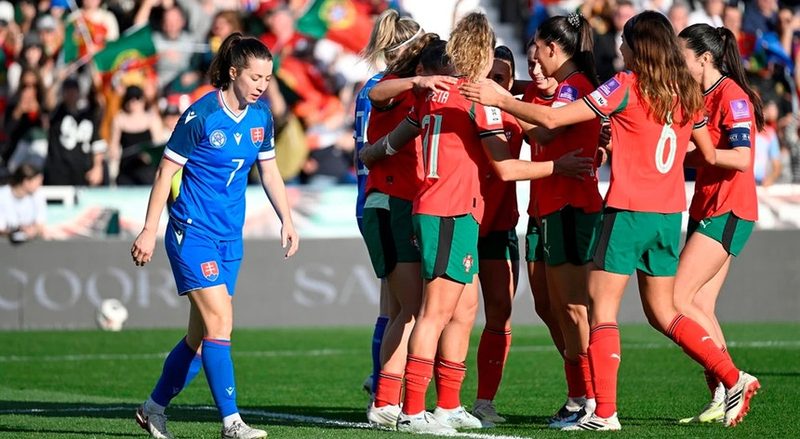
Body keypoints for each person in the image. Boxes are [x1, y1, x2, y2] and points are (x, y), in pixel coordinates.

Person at [460, 11, 759, 431]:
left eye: (625, 43)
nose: (619, 50)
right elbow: (703, 151)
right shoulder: (687, 94)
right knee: (665, 313)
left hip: (628, 210)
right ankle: (733, 376)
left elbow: (550, 120)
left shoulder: (627, 85)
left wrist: (501, 99)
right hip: (668, 214)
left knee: (600, 311)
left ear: (640, 48)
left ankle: (603, 413)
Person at [362, 12, 591, 434]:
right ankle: (413, 410)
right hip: (451, 210)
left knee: (462, 308)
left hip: (439, 208)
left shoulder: (436, 94)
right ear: (483, 54)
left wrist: (371, 153)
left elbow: (399, 129)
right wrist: (559, 166)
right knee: (433, 313)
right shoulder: (476, 100)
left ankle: (447, 404)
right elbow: (504, 169)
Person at [131, 32, 298, 439]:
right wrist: (150, 229)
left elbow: (270, 171)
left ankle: (152, 409)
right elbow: (165, 172)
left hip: (229, 239)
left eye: (268, 78)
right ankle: (231, 422)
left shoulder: (261, 118)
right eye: (255, 77)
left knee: (201, 337)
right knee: (221, 321)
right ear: (233, 72)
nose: (262, 85)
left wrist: (287, 219)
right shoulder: (201, 115)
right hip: (193, 234)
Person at [359, 11, 455, 430]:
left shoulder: (407, 91)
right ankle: (385, 397)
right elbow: (379, 95)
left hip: (400, 201)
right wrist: (419, 83)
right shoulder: (388, 88)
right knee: (413, 310)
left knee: (402, 308)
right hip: (389, 202)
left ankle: (386, 396)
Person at [676, 23, 765, 425]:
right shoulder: (700, 96)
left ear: (704, 58)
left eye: (683, 56)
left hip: (729, 209)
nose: (679, 63)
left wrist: (704, 152)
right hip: (707, 205)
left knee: (677, 298)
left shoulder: (732, 95)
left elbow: (742, 159)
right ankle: (725, 390)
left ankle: (732, 381)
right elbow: (704, 156)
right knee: (698, 305)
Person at [520, 13, 603, 429]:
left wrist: (500, 108)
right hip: (550, 207)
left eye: (537, 45)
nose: (532, 53)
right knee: (554, 307)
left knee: (574, 309)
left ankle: (590, 398)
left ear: (553, 47)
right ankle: (581, 395)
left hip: (571, 205)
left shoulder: (575, 87)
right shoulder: (562, 86)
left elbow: (548, 131)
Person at [470, 45, 523, 426]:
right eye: (486, 77)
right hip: (463, 220)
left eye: (500, 79)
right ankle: (433, 399)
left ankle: (484, 402)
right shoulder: (467, 106)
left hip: (501, 223)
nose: (492, 85)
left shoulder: (522, 114)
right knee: (449, 312)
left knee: (500, 313)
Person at [110, 85, 163, 185]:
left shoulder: (152, 119)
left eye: (137, 99)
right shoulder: (119, 120)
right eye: (130, 99)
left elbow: (158, 146)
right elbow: (114, 146)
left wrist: (148, 155)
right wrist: (114, 153)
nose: (133, 103)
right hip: (126, 170)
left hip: (146, 169)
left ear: (143, 100)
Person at [0, 163, 46, 243]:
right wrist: (17, 232)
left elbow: (40, 224)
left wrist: (33, 231)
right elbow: (2, 229)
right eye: (38, 182)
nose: (40, 185)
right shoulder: (2, 195)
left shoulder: (38, 195)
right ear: (26, 182)